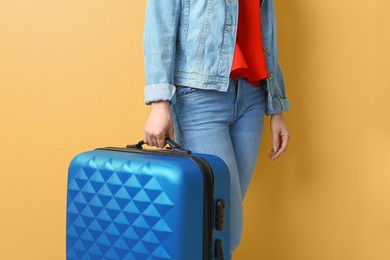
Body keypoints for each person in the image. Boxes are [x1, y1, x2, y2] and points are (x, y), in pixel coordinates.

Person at [142, 0, 290, 257]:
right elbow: (160, 24)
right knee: (225, 224)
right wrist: (159, 103)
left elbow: (265, 30)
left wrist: (275, 106)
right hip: (199, 97)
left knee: (219, 223)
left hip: (252, 96)